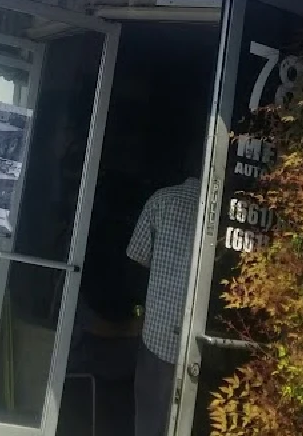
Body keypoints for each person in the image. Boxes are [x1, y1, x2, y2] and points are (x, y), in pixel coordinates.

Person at [127, 146, 202, 436]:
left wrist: (137, 312)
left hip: (156, 331)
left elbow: (136, 261)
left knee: (150, 414)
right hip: (200, 340)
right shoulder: (221, 214)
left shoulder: (162, 200)